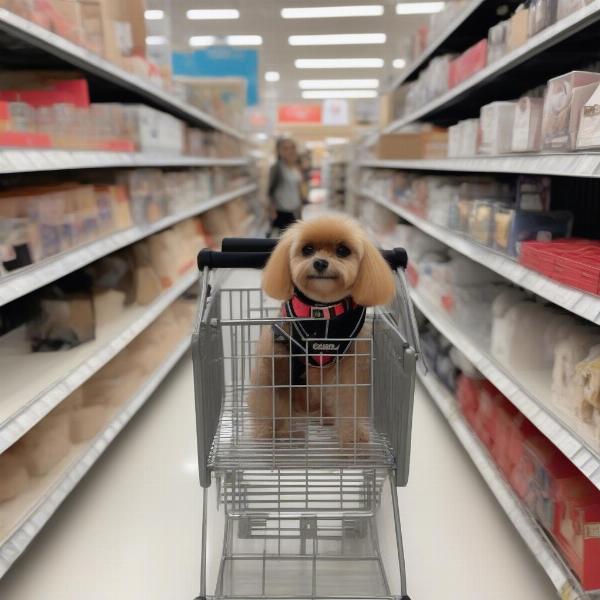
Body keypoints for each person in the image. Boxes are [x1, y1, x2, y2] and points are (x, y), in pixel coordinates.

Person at [268, 138, 304, 235]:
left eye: (292, 148)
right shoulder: (276, 168)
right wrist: (271, 210)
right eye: (285, 148)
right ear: (279, 151)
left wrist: (300, 207)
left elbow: (297, 188)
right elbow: (269, 190)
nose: (290, 151)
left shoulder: (295, 167)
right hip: (281, 212)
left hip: (294, 211)